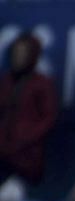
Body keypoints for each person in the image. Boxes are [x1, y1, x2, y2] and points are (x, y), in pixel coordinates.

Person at [0, 32, 58, 184]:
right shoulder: (5, 83)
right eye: (16, 53)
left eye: (23, 53)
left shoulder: (42, 84)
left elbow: (49, 118)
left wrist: (26, 138)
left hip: (27, 159)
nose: (19, 57)